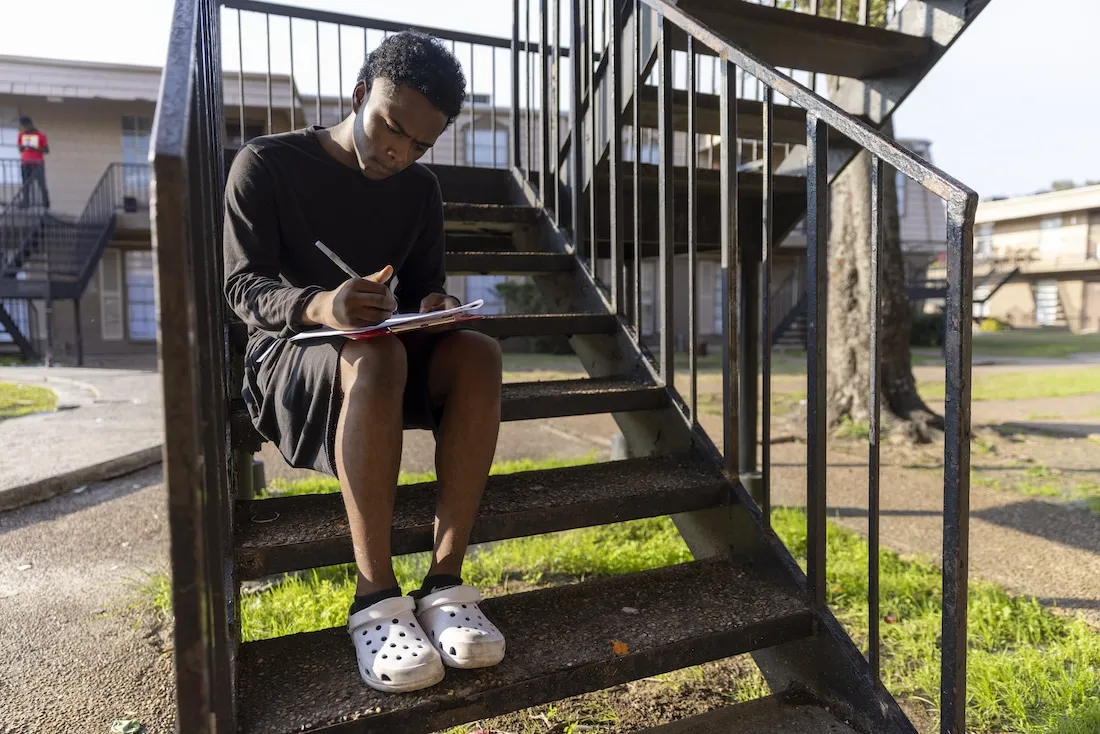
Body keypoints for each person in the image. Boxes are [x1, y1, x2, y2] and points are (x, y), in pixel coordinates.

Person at [223, 32, 505, 694]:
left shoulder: (418, 190)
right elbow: (242, 290)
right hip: (290, 356)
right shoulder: (267, 164)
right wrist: (323, 304)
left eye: (418, 146)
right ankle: (373, 597)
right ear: (358, 96)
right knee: (376, 358)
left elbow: (422, 285)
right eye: (388, 128)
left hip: (382, 353)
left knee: (477, 356)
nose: (396, 152)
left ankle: (445, 582)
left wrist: (436, 304)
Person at [17, 116, 50, 208]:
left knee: (41, 183)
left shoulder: (40, 135)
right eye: (24, 126)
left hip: (37, 163)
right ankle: (26, 203)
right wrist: (24, 145)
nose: (26, 128)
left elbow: (47, 150)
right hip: (25, 163)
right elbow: (20, 149)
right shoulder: (22, 135)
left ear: (31, 124)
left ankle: (45, 203)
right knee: (26, 184)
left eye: (27, 125)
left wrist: (35, 147)